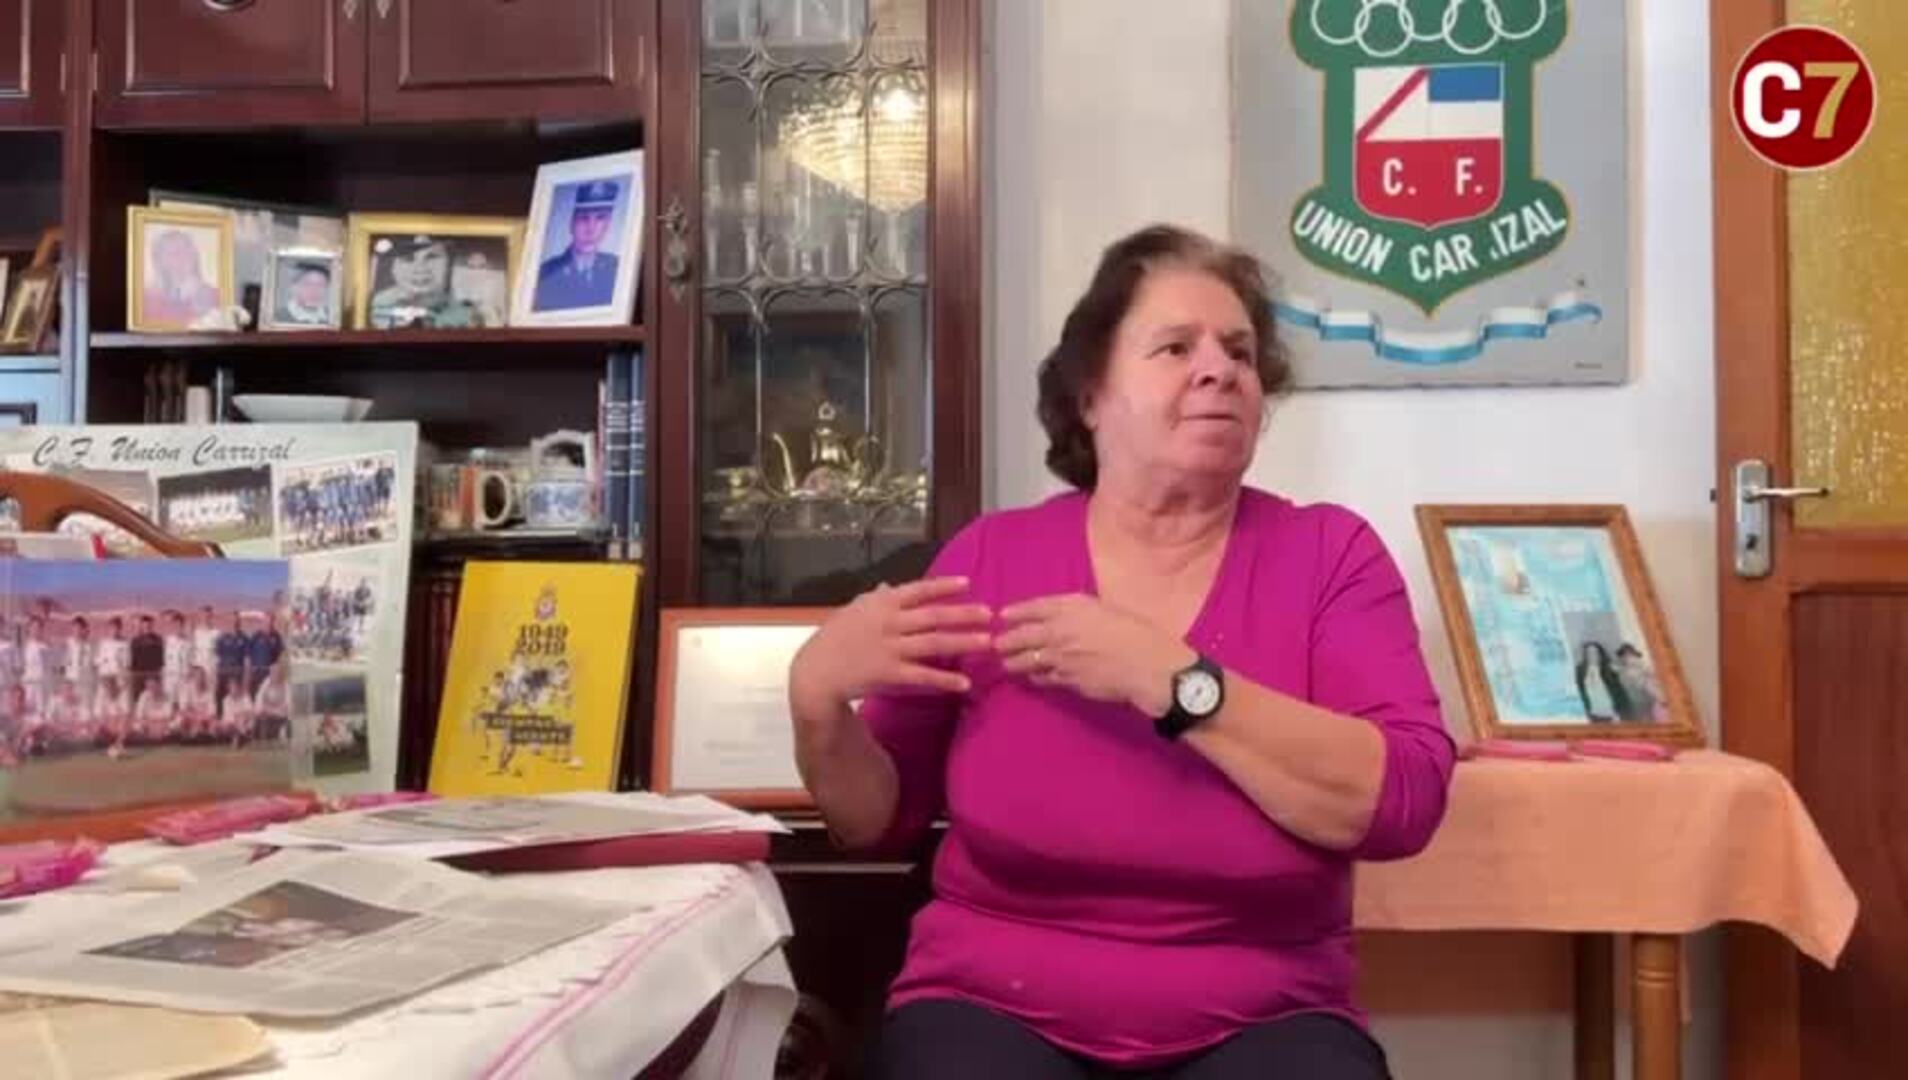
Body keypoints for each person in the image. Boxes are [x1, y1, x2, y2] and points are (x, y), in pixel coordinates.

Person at [788, 225, 1453, 1080]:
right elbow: (877, 821)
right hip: (989, 1004)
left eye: (1240, 353)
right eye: (1176, 347)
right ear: (1091, 395)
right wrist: (816, 703)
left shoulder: (1330, 556)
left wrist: (1172, 679)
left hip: (1268, 1016)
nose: (1220, 370)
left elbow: (1402, 802)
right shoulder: (991, 559)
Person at [533, 180, 621, 311]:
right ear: (571, 223)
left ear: (607, 225)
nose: (591, 229)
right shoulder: (546, 273)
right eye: (584, 218)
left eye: (600, 218)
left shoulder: (618, 269)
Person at [369, 236, 481, 329]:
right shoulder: (375, 309)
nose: (420, 268)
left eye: (431, 257)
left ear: (448, 265)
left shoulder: (467, 314)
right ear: (393, 268)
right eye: (408, 258)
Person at [142, 228, 223, 328]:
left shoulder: (215, 295)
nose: (182, 256)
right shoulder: (148, 299)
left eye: (186, 249)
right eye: (173, 253)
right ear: (160, 261)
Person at [1574, 641, 1630, 724]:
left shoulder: (1608, 668)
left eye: (1595, 652)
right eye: (1589, 653)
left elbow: (1619, 690)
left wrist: (1621, 712)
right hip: (1594, 714)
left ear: (1600, 654)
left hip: (1612, 713)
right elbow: (1580, 690)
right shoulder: (1580, 670)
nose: (1592, 655)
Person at [274, 260, 335, 326]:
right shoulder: (278, 318)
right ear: (294, 288)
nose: (314, 290)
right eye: (307, 284)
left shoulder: (332, 317)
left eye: (320, 285)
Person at [1613, 643, 1662, 723]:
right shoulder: (1623, 670)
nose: (1628, 657)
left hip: (1649, 695)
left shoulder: (1642, 664)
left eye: (1630, 654)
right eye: (1625, 655)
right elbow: (1625, 683)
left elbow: (1651, 675)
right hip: (1636, 699)